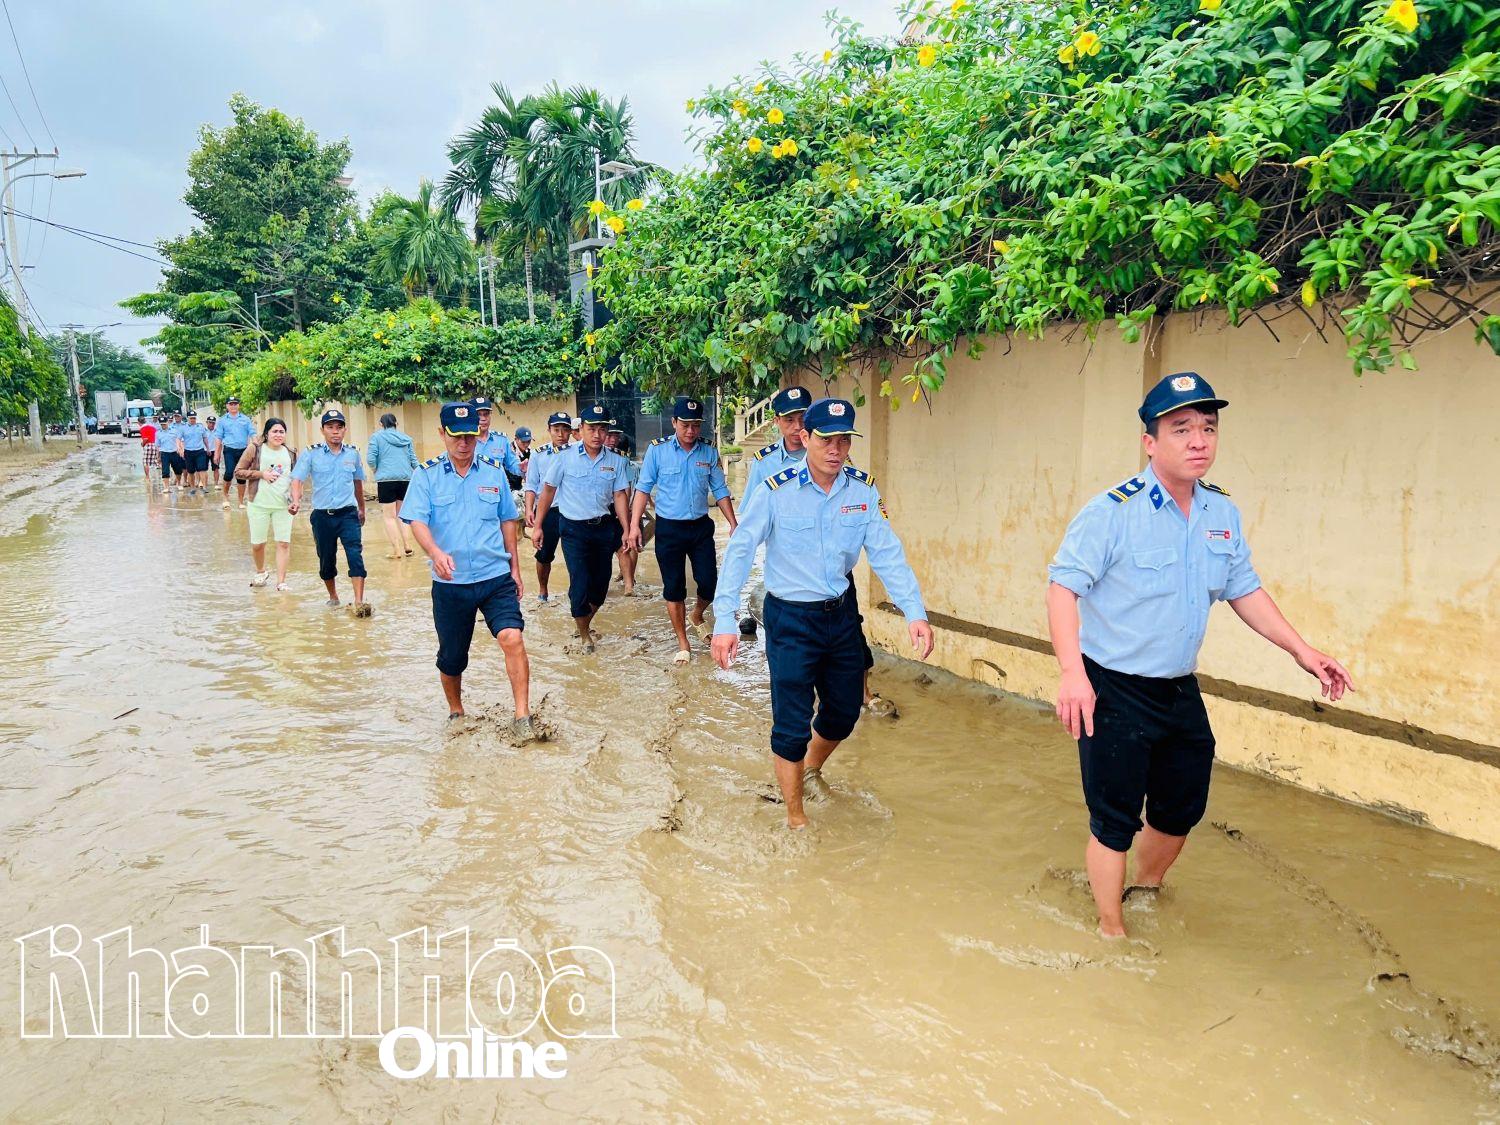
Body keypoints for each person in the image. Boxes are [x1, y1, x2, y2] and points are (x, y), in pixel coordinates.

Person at [1046, 371, 1354, 938]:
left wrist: (1303, 651)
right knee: (1114, 819)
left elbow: (1244, 589)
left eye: (1208, 428)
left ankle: (1145, 890)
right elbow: (1062, 588)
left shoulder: (1220, 513)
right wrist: (1072, 673)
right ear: (1150, 442)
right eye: (1181, 428)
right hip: (1112, 687)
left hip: (1178, 688)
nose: (1198, 441)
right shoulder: (1112, 512)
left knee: (1181, 806)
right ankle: (1111, 931)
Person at [712, 398, 934, 829]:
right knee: (792, 724)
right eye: (826, 440)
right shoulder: (775, 490)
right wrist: (725, 621)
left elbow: (887, 554)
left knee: (844, 710)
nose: (836, 449)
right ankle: (796, 818)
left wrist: (914, 611)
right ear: (805, 437)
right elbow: (740, 551)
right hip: (791, 618)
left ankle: (810, 769)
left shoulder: (862, 490)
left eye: (844, 440)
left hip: (840, 615)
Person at [741, 386, 897, 716]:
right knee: (794, 687)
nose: (797, 426)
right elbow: (747, 533)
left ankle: (859, 693)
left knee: (851, 639)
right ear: (780, 423)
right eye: (790, 420)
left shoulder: (839, 458)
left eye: (802, 417)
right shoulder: (766, 466)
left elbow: (856, 505)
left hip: (836, 575)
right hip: (793, 583)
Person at [401, 402, 536, 740]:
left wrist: (515, 568)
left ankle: (523, 716)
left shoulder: (493, 472)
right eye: (456, 436)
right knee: (452, 657)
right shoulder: (426, 475)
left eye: (470, 436)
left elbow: (508, 520)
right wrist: (435, 553)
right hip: (451, 582)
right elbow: (416, 521)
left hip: (495, 576)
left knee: (512, 637)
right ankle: (456, 710)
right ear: (442, 434)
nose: (464, 443)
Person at [628, 397, 737, 664]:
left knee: (709, 583)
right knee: (674, 587)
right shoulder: (657, 451)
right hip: (669, 529)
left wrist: (734, 524)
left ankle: (696, 614)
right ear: (674, 422)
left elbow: (720, 490)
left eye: (696, 425)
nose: (690, 431)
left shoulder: (708, 452)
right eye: (685, 425)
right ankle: (683, 642)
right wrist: (633, 527)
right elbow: (643, 488)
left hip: (700, 528)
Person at [531, 403, 631, 653]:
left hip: (603, 528)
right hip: (573, 529)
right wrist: (538, 525)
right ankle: (585, 634)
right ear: (581, 429)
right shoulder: (564, 457)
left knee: (601, 585)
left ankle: (585, 619)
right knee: (580, 582)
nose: (597, 434)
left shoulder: (616, 460)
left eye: (602, 429)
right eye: (592, 429)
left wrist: (627, 529)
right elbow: (548, 491)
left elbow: (620, 495)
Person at [289, 409, 371, 615]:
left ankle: (359, 602)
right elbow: (297, 479)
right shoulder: (311, 453)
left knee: (355, 555)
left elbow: (357, 483)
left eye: (339, 427)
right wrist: (296, 501)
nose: (335, 431)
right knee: (326, 559)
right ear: (322, 430)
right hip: (322, 516)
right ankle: (333, 597)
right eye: (330, 427)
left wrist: (361, 508)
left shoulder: (353, 453)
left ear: (345, 430)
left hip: (348, 514)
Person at [235, 418, 298, 590]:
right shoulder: (255, 449)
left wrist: (296, 499)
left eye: (281, 432)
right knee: (258, 544)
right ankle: (261, 571)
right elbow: (238, 472)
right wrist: (261, 474)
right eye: (274, 431)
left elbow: (296, 479)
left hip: (283, 506)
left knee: (283, 543)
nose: (278, 435)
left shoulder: (291, 453)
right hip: (258, 504)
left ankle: (281, 582)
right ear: (266, 433)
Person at [522, 411, 573, 604]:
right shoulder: (539, 454)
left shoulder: (577, 453)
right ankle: (543, 590)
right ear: (549, 430)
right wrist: (529, 510)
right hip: (548, 511)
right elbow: (531, 485)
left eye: (565, 429)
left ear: (571, 431)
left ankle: (576, 592)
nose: (560, 434)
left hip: (572, 511)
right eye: (556, 429)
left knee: (576, 554)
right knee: (544, 554)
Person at [366, 412, 419, 559]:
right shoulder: (407, 438)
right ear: (396, 424)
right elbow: (414, 460)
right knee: (402, 515)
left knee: (389, 517)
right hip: (405, 479)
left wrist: (376, 469)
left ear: (381, 424)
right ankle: (408, 546)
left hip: (386, 481)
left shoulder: (376, 437)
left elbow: (370, 459)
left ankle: (397, 551)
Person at [471, 396, 523, 482]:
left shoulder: (501, 440)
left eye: (486, 414)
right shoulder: (465, 441)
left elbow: (512, 463)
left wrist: (521, 468)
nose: (483, 419)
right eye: (478, 415)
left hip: (496, 488)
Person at [217, 396, 255, 510]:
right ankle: (225, 497)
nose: (233, 406)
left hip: (243, 450)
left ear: (238, 405)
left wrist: (256, 445)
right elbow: (218, 438)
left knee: (241, 475)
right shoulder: (222, 420)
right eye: (231, 404)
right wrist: (216, 453)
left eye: (235, 404)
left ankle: (241, 501)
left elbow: (252, 433)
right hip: (229, 450)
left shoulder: (245, 419)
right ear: (227, 406)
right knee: (229, 473)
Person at [176, 410, 211, 494]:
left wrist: (208, 448)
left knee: (202, 469)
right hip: (188, 452)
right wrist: (179, 448)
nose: (193, 420)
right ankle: (192, 488)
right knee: (190, 471)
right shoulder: (183, 428)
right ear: (188, 418)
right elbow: (178, 439)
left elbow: (205, 438)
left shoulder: (200, 427)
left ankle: (204, 487)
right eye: (191, 418)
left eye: (194, 418)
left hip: (200, 451)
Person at [154, 413, 182, 495]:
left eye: (164, 424)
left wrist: (180, 449)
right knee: (165, 471)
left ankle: (179, 483)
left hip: (174, 452)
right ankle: (166, 487)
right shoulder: (158, 433)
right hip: (164, 453)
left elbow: (179, 441)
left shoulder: (174, 431)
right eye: (161, 424)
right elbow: (157, 446)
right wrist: (158, 457)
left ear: (167, 423)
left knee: (177, 470)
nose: (163, 426)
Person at [510, 426, 532, 492]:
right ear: (516, 439)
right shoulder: (509, 451)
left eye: (528, 441)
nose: (526, 444)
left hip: (519, 487)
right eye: (523, 441)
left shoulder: (529, 451)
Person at [140, 416, 159, 488]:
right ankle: (163, 476)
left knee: (145, 462)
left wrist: (142, 444)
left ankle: (147, 477)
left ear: (139, 423)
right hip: (155, 444)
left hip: (148, 445)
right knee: (156, 461)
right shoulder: (153, 427)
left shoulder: (142, 428)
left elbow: (145, 439)